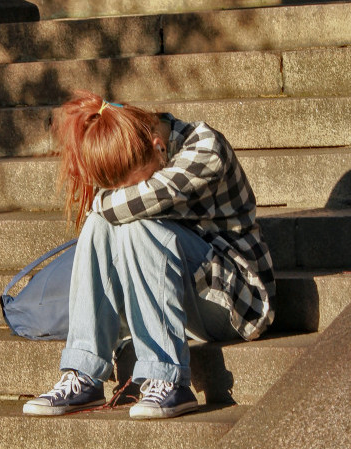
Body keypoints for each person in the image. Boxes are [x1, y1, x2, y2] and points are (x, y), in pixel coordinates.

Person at [22, 91, 275, 419]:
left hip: (235, 301)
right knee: (105, 224)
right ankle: (84, 372)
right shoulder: (143, 151)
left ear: (158, 145)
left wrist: (104, 201)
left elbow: (119, 205)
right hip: (179, 300)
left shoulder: (205, 148)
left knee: (131, 222)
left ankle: (167, 379)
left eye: (135, 182)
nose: (127, 191)